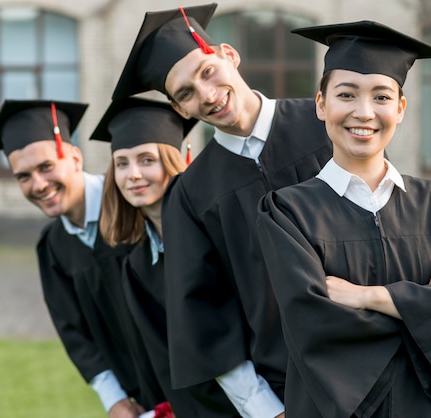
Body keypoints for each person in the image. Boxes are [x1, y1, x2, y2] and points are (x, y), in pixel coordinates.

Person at [256, 20, 431, 417]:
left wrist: (368, 297)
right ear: (321, 105)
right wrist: (428, 306)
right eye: (346, 94)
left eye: (382, 97)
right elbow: (314, 324)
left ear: (400, 109)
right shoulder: (288, 213)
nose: (364, 112)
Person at [110, 4, 332, 417]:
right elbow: (205, 317)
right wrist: (266, 409)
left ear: (228, 55)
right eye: (186, 94)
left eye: (206, 72)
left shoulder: (326, 127)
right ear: (179, 110)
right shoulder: (192, 195)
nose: (207, 95)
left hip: (376, 363)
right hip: (286, 390)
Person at [0, 100, 165, 418]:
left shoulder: (135, 208)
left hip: (200, 386)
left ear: (75, 158)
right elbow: (74, 333)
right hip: (141, 403)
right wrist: (114, 400)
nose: (38, 184)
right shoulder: (52, 247)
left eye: (46, 167)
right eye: (23, 176)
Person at [92, 96, 239, 418]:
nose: (133, 174)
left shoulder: (217, 234)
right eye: (122, 163)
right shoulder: (138, 265)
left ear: (176, 160)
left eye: (146, 160)